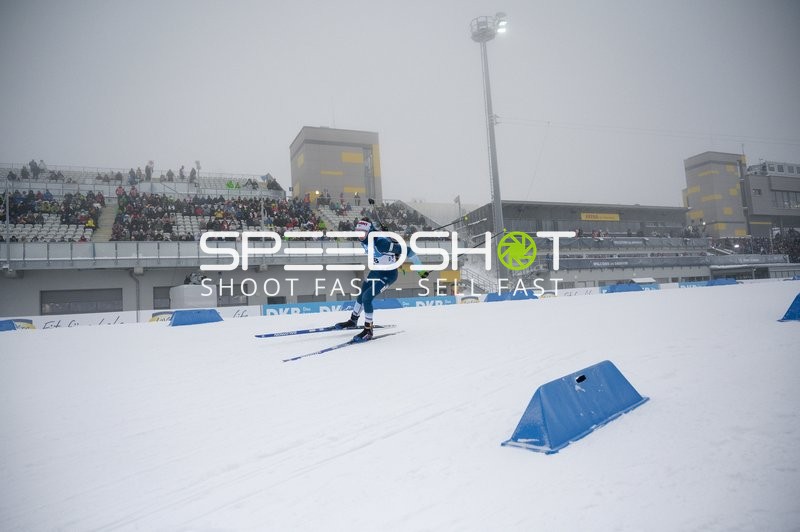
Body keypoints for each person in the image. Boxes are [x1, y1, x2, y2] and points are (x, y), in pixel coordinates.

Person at [334, 217, 428, 342]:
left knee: (367, 298)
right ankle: (353, 320)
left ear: (368, 232)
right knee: (362, 293)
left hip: (388, 274)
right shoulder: (367, 238)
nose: (359, 236)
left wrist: (420, 269)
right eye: (357, 232)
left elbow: (409, 251)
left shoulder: (381, 244)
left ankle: (368, 330)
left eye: (362, 233)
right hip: (376, 270)